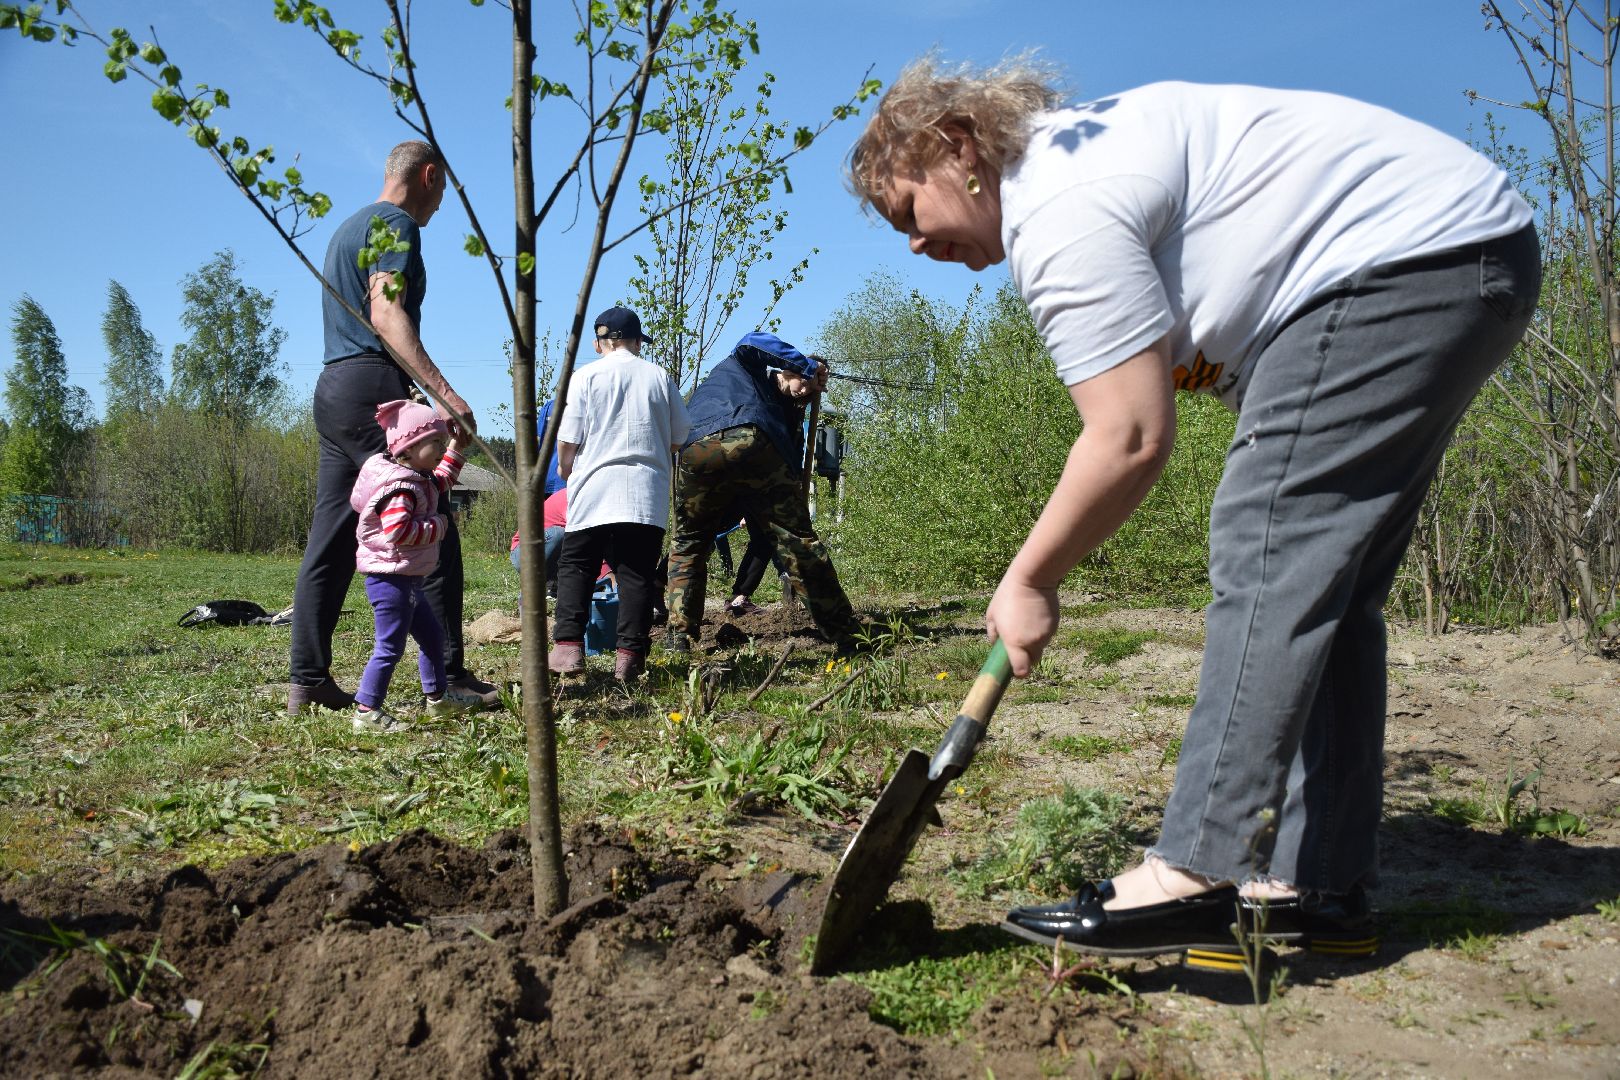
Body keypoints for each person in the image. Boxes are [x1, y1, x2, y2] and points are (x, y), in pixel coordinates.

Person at [848, 60, 1539, 962]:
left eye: (907, 211)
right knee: (1321, 585)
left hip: (1403, 262)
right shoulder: (1075, 174)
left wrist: (1030, 578)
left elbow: (1129, 435)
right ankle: (1316, 888)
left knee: (1263, 541)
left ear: (959, 148)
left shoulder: (1059, 203)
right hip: (1458, 257)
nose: (910, 242)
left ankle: (1194, 872)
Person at [288, 140, 501, 716]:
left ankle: (306, 680)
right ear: (429, 175)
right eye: (442, 191)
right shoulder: (394, 224)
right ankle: (448, 678)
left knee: (332, 535)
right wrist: (444, 394)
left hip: (335, 388)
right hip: (375, 391)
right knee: (430, 515)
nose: (439, 206)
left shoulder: (346, 228)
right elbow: (386, 311)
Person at [665, 332, 864, 650]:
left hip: (695, 452)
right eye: (802, 381)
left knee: (688, 543)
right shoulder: (746, 366)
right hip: (740, 438)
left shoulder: (787, 413)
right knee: (798, 543)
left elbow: (792, 465)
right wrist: (807, 364)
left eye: (811, 388)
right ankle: (846, 635)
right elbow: (751, 341)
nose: (805, 390)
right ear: (785, 369)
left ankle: (680, 637)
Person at [548, 307, 690, 682]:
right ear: (638, 341)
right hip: (645, 492)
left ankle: (567, 650)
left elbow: (568, 438)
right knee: (636, 576)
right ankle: (628, 659)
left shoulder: (586, 376)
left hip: (593, 487)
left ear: (600, 342)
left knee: (577, 566)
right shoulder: (659, 376)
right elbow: (679, 436)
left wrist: (566, 469)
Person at [349, 400, 468, 732]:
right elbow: (398, 532)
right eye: (438, 444)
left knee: (432, 639)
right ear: (410, 449)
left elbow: (443, 478)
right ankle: (366, 710)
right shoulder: (401, 489)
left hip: (407, 578)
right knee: (389, 646)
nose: (442, 450)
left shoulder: (418, 476)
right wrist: (440, 526)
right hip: (390, 580)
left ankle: (437, 700)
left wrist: (458, 446)